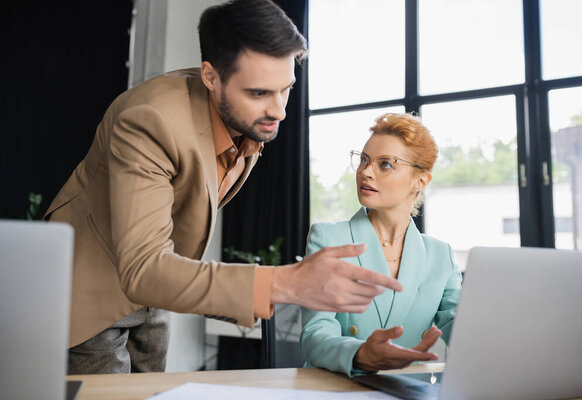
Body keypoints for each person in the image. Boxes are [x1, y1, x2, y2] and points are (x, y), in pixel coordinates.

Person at [44, 0, 403, 374]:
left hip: (157, 289)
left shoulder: (245, 120)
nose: (279, 110)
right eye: (259, 93)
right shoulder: (150, 120)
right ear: (211, 77)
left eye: (286, 89)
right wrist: (281, 283)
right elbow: (144, 268)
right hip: (91, 288)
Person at [300, 113, 463, 377]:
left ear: (421, 180)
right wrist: (360, 354)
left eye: (385, 164)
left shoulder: (440, 255)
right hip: (338, 388)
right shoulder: (328, 239)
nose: (365, 171)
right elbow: (315, 335)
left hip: (410, 391)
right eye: (364, 160)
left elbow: (464, 330)